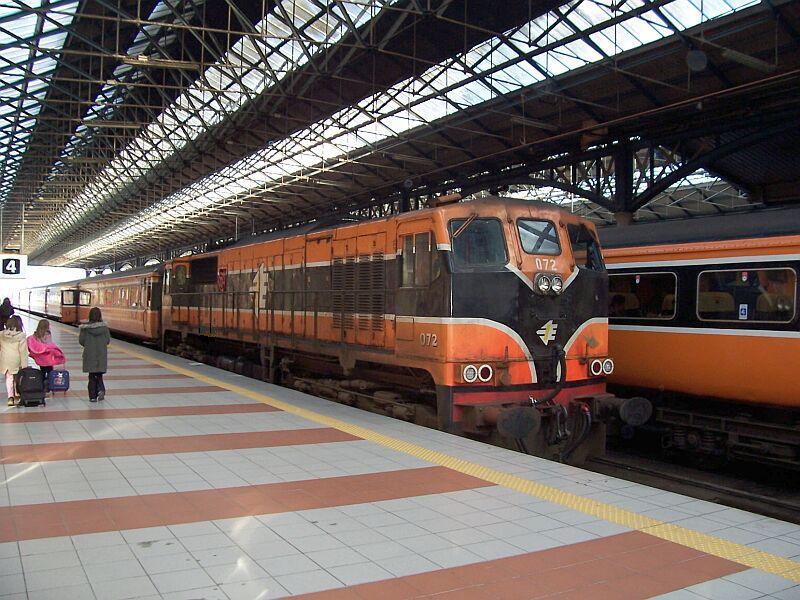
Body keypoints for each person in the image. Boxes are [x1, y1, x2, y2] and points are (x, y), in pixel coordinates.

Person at [79, 307, 110, 402]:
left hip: (89, 355)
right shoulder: (104, 328)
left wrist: (89, 344)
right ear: (100, 316)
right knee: (99, 375)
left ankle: (92, 397)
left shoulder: (85, 329)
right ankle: (101, 389)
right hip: (101, 355)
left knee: (92, 376)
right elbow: (107, 341)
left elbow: (81, 341)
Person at [27, 319, 65, 392]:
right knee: (50, 372)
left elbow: (35, 344)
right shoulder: (47, 333)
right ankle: (48, 386)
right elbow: (49, 344)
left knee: (42, 372)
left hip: (41, 359)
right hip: (48, 358)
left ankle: (41, 385)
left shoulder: (35, 334)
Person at [0, 315, 28, 406]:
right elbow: (23, 351)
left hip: (5, 359)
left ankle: (10, 398)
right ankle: (17, 395)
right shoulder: (21, 336)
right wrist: (25, 366)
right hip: (16, 359)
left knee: (9, 378)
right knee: (17, 378)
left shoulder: (1, 334)